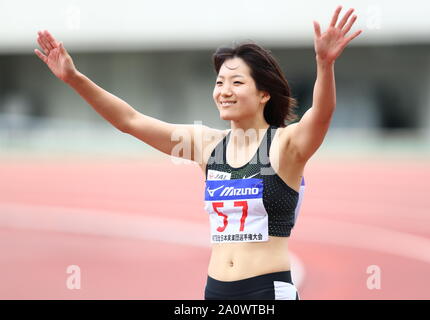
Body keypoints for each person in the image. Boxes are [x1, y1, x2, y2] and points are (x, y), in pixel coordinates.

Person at [34, 5, 362, 300]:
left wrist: (324, 63)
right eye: (219, 83)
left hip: (267, 292)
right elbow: (130, 121)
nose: (224, 91)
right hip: (214, 292)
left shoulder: (286, 146)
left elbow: (321, 114)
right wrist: (73, 78)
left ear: (263, 94)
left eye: (236, 82)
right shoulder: (206, 146)